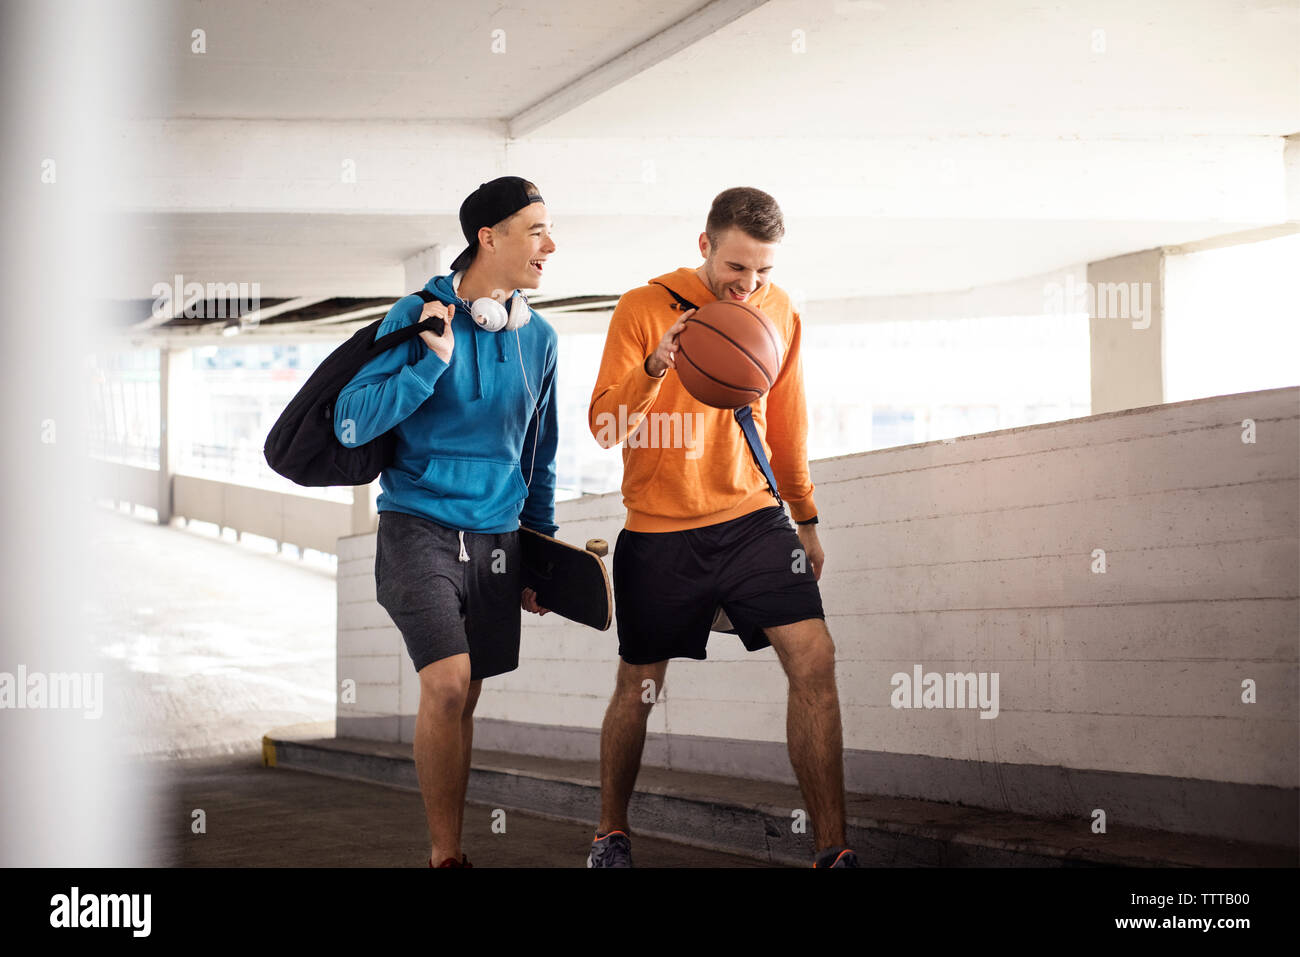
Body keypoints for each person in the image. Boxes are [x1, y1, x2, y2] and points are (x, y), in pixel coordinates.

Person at [586, 186, 857, 868]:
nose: (750, 283)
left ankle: (832, 850)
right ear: (705, 246)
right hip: (658, 527)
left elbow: (787, 428)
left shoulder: (778, 310)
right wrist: (656, 365)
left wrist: (808, 518)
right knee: (639, 685)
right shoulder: (641, 307)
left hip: (752, 519)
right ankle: (610, 833)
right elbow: (604, 427)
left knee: (815, 658)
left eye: (763, 270)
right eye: (738, 268)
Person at [334, 176, 558, 868]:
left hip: (497, 538)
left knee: (467, 698)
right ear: (488, 238)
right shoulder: (418, 311)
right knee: (449, 681)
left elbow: (539, 450)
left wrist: (539, 548)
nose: (550, 244)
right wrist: (428, 364)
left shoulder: (539, 338)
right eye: (535, 229)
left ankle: (451, 843)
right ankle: (445, 855)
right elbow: (351, 422)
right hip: (417, 525)